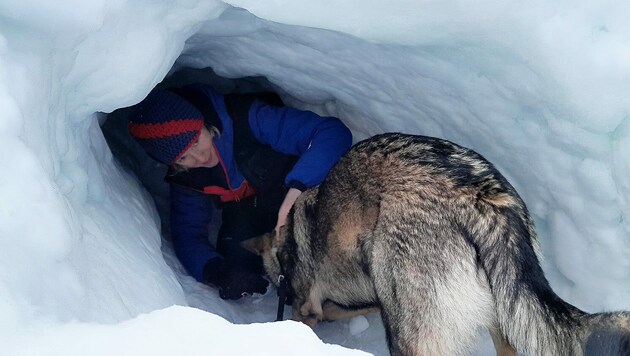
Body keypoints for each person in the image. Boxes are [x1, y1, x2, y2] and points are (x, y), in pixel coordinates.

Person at [128, 83, 352, 300]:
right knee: (237, 271)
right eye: (184, 157)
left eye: (196, 141)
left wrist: (298, 188)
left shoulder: (246, 119)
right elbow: (187, 233)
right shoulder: (186, 176)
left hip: (294, 194)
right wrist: (217, 272)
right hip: (246, 213)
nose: (200, 157)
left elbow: (330, 132)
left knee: (312, 274)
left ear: (203, 123)